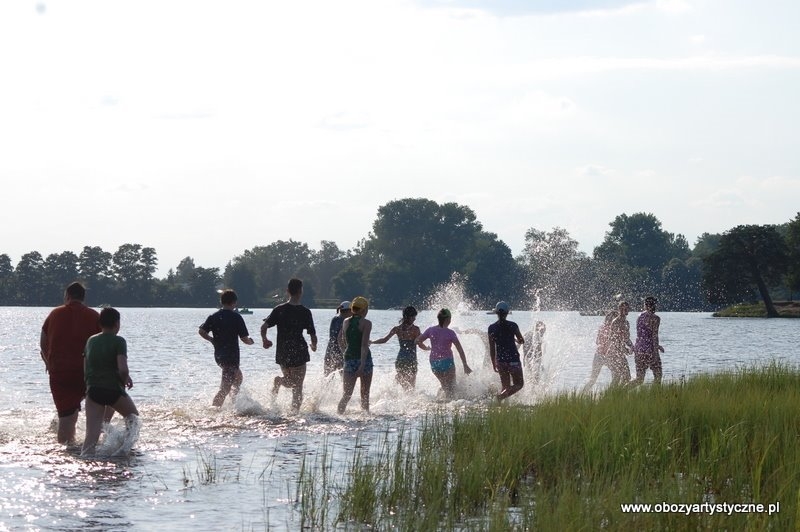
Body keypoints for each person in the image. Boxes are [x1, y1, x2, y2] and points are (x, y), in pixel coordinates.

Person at [40, 281, 102, 444]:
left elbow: (43, 342)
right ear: (83, 297)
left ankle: (66, 451)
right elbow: (102, 344)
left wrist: (48, 363)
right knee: (94, 411)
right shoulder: (94, 316)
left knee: (66, 417)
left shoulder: (55, 314)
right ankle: (92, 447)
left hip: (60, 372)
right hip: (86, 372)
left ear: (67, 296)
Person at [81, 307, 139, 456]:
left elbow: (86, 366)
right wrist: (124, 379)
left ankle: (85, 460)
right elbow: (123, 369)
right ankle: (122, 452)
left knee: (91, 435)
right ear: (117, 323)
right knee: (133, 419)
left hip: (93, 390)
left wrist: (89, 385)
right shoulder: (119, 341)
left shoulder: (91, 340)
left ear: (100, 323)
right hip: (112, 390)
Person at [261, 278, 317, 412]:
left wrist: (265, 339)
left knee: (290, 380)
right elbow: (312, 334)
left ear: (287, 291)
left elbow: (264, 326)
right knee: (298, 386)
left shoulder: (279, 309)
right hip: (299, 351)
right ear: (301, 291)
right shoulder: (305, 311)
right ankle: (294, 413)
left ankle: (280, 381)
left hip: (283, 351)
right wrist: (314, 345)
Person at [198, 289, 255, 407]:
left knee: (238, 378)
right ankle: (214, 410)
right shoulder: (236, 317)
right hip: (231, 356)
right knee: (225, 388)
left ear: (221, 301)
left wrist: (212, 340)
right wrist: (251, 342)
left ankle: (233, 404)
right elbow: (244, 338)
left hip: (219, 356)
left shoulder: (213, 316)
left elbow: (201, 331)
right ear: (234, 302)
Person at [416, 308, 472, 399]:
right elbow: (460, 350)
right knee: (452, 387)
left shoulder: (430, 330)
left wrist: (426, 348)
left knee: (445, 386)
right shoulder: (450, 333)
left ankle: (442, 401)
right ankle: (451, 403)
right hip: (447, 362)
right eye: (450, 318)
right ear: (447, 319)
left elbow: (417, 341)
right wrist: (465, 365)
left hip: (434, 363)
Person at [371, 305, 427, 391]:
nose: (414, 319)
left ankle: (393, 388)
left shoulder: (397, 329)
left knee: (404, 385)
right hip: (411, 360)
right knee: (411, 388)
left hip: (400, 359)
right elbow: (420, 344)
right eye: (413, 317)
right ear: (407, 317)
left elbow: (384, 340)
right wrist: (428, 349)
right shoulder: (416, 329)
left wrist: (372, 342)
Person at [336, 296, 373, 414]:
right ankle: (365, 417)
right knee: (365, 394)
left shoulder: (345, 322)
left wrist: (345, 352)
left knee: (346, 394)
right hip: (364, 360)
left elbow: (341, 340)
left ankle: (338, 416)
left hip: (349, 359)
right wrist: (362, 365)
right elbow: (364, 345)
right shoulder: (366, 323)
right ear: (364, 310)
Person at [488, 301, 525, 400]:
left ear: (496, 313)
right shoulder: (513, 325)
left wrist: (494, 362)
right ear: (507, 312)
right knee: (519, 384)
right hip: (513, 360)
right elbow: (521, 340)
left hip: (500, 360)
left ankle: (501, 403)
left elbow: (492, 348)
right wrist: (516, 340)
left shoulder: (491, 328)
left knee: (505, 386)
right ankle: (500, 398)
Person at [631, 296, 665, 385]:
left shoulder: (639, 316)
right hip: (649, 350)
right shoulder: (655, 318)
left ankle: (622, 390)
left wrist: (658, 346)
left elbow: (643, 335)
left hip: (639, 349)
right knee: (658, 376)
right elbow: (654, 336)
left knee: (639, 379)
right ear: (654, 305)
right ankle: (655, 393)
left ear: (645, 305)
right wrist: (656, 353)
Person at [582, 310, 618, 393]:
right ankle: (609, 394)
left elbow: (597, 342)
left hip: (598, 355)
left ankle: (582, 395)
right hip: (608, 356)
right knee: (616, 376)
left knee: (592, 380)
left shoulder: (602, 327)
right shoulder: (613, 329)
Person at [606, 301, 634, 386]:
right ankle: (612, 393)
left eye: (626, 308)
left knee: (626, 377)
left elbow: (627, 339)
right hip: (613, 353)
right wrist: (624, 348)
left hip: (620, 353)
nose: (624, 310)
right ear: (619, 309)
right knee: (618, 378)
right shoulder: (615, 322)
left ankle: (618, 392)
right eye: (622, 308)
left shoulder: (626, 323)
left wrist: (632, 346)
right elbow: (611, 338)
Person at [323, 301, 352, 377]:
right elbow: (343, 338)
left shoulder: (334, 319)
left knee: (327, 376)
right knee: (345, 377)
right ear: (348, 311)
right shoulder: (346, 321)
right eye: (352, 311)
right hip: (341, 351)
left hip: (330, 349)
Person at [522, 320, 546, 384]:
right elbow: (539, 350)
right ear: (538, 328)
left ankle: (529, 388)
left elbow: (520, 345)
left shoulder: (527, 333)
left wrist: (524, 358)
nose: (543, 332)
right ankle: (534, 388)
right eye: (543, 330)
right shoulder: (537, 335)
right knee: (536, 377)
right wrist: (540, 364)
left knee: (529, 375)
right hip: (534, 359)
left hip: (527, 358)